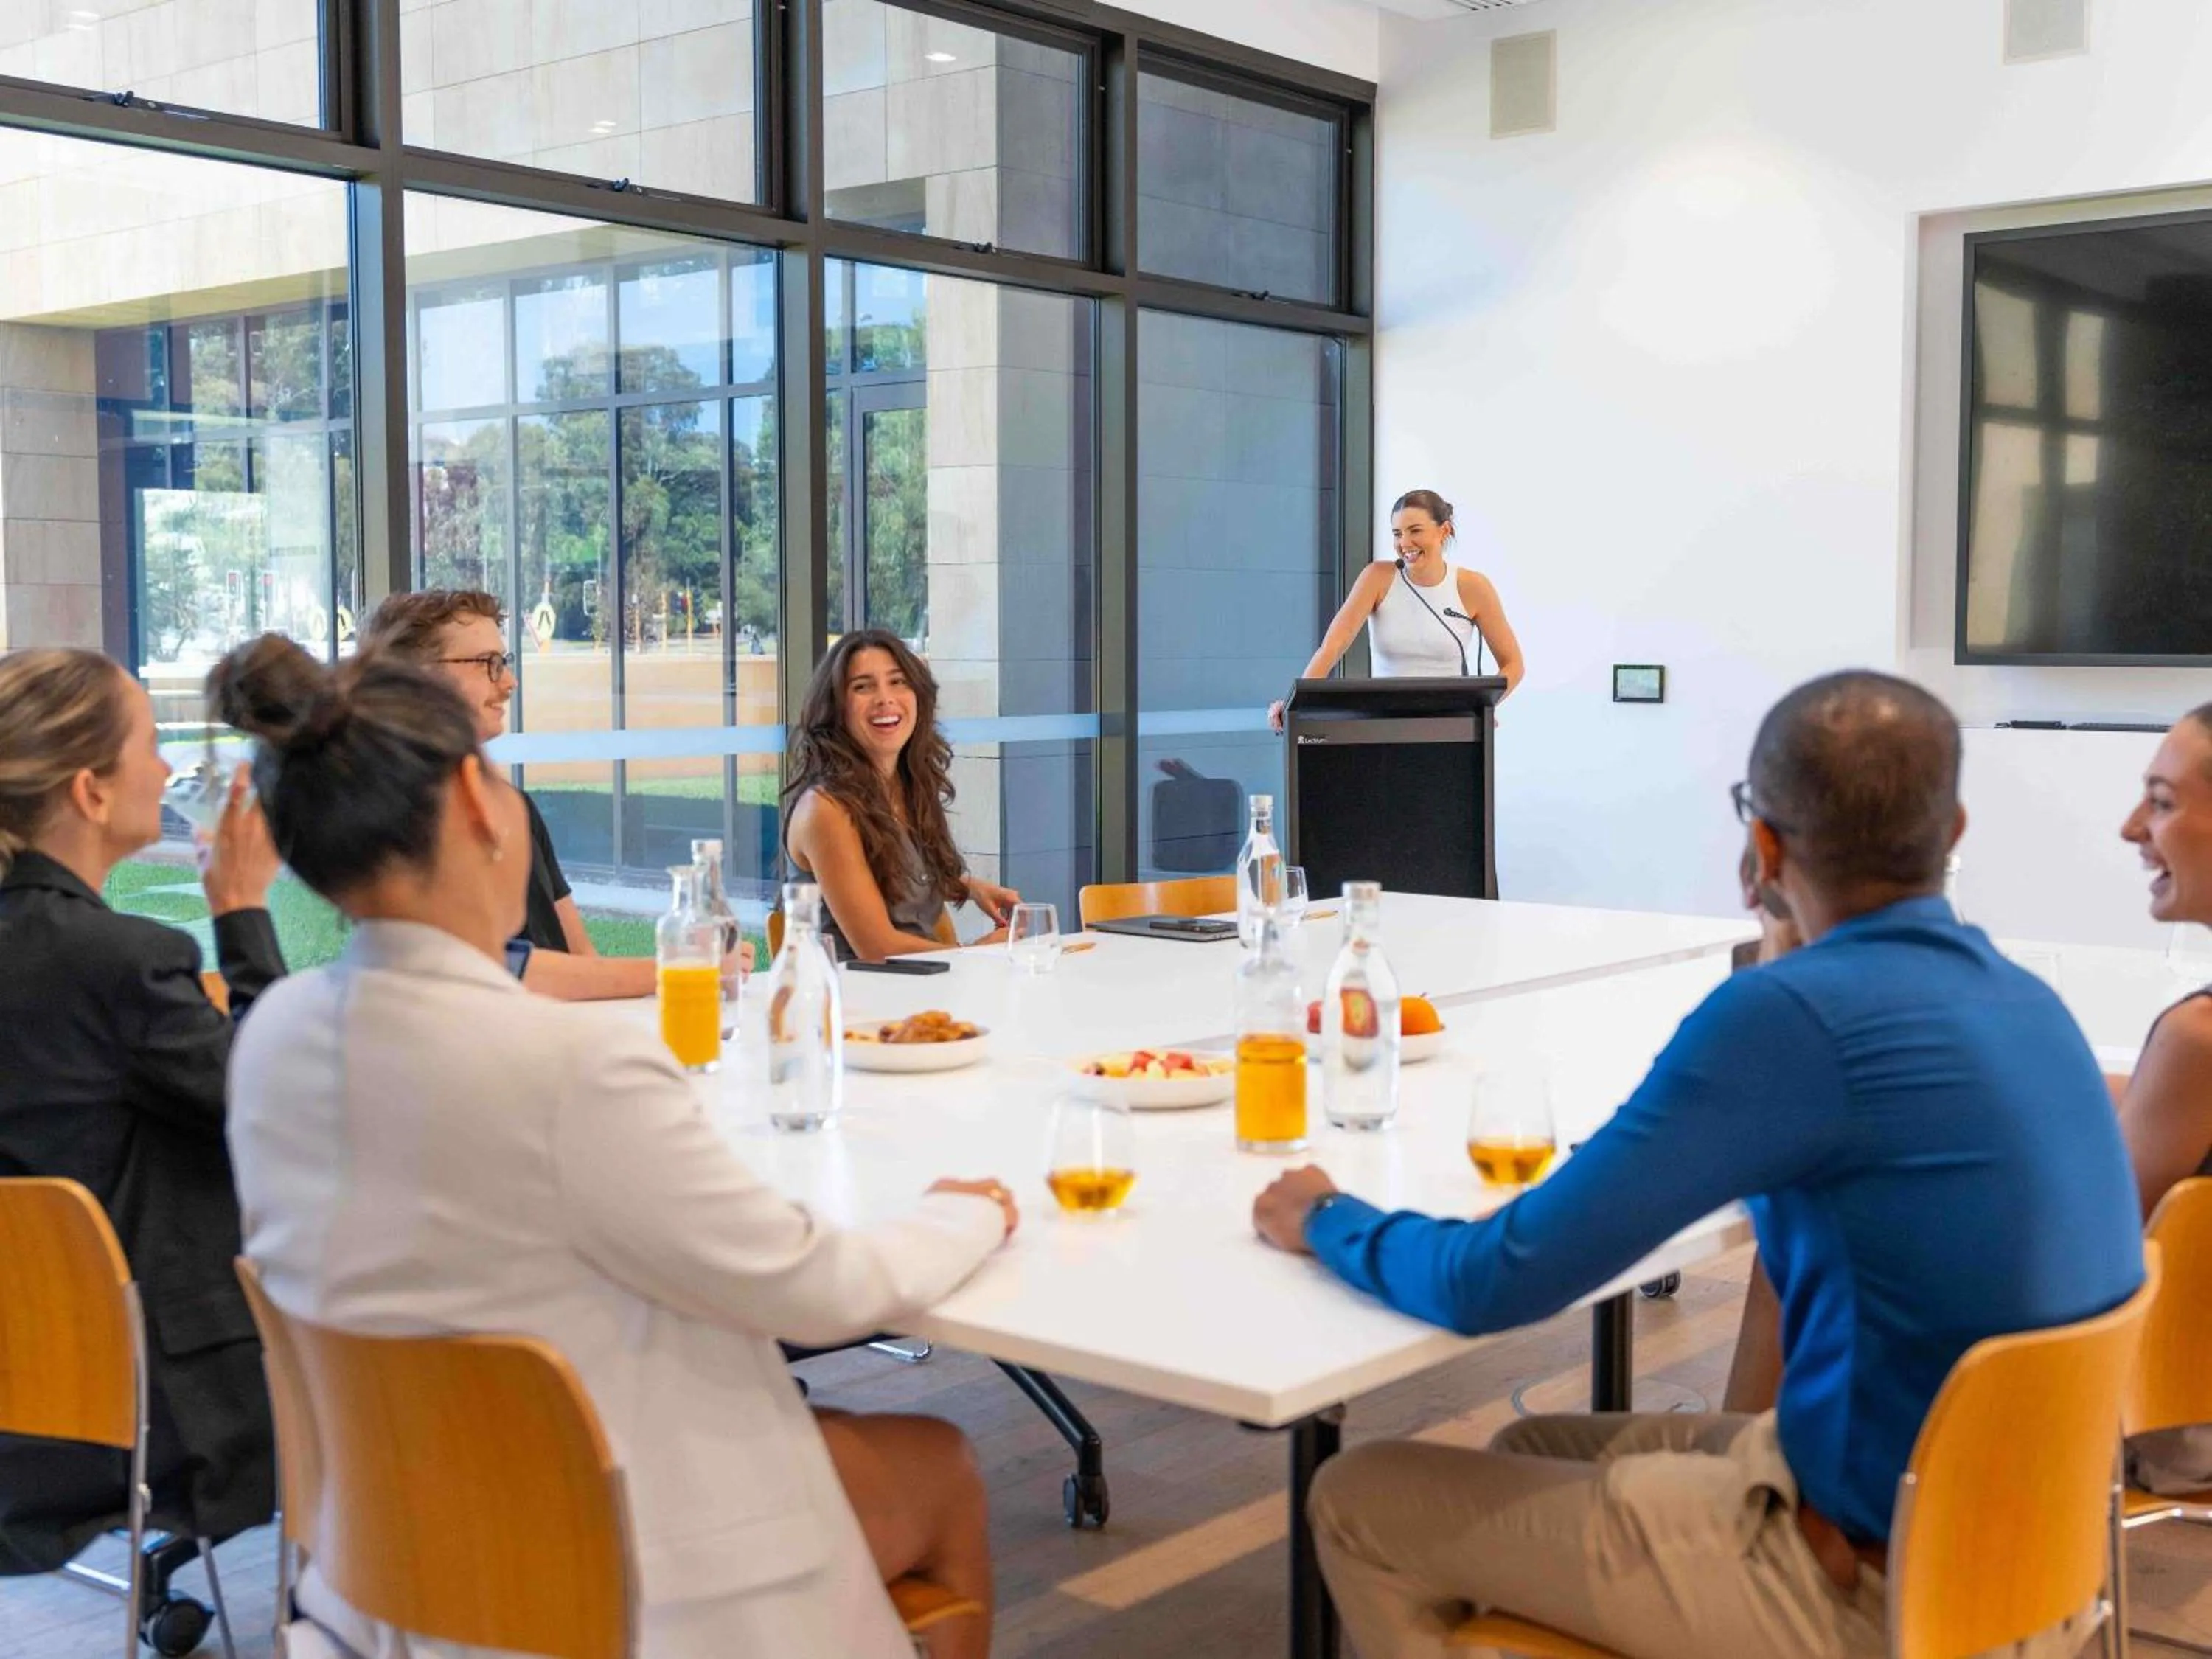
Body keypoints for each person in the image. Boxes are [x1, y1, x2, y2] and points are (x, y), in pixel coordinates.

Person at [1252, 669, 2143, 1659]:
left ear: (1763, 844)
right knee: (1533, 1446)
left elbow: (1490, 1281)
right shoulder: (2028, 1002)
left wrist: (1326, 1215)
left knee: (1359, 1495)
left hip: (1879, 1591)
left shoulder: (1789, 1016)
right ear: (1955, 829)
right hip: (2027, 1573)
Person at [215, 633, 1018, 1659]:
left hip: (393, 1561)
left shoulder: (272, 1040)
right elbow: (817, 1289)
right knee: (940, 1459)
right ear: (475, 801)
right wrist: (969, 1208)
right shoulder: (566, 1066)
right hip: (609, 1557)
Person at [0, 648, 279, 1573]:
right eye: (153, 745)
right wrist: (241, 912)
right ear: (89, 789)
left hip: (24, 1403)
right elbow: (277, 1113)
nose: (166, 770)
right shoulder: (120, 962)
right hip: (162, 1406)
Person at [361, 588, 744, 1001]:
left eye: (504, 662)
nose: (509, 682)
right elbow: (496, 970)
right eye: (488, 664)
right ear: (417, 678)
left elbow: (580, 959)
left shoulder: (516, 808)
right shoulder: (397, 822)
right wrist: (683, 969)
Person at [2111, 705, 2212, 1495]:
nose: (2131, 827)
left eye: (2163, 801)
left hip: (2172, 1422)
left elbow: (2092, 1253)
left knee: (1796, 1244)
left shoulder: (2197, 1041)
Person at [783, 628, 1018, 962]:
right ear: (836, 708)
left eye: (898, 682)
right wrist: (978, 955)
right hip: (858, 1002)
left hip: (918, 992)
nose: (885, 699)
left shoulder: (905, 786)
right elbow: (877, 949)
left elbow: (889, 872)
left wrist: (966, 886)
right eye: (862, 686)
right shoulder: (826, 809)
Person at [1267, 490, 1525, 734]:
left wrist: (1483, 708)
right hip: (1385, 726)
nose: (1404, 543)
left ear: (1443, 530)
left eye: (1415, 531)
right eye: (1397, 533)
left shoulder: (1473, 586)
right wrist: (1294, 706)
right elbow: (1332, 647)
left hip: (1452, 728)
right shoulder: (1377, 578)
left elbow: (1513, 664)